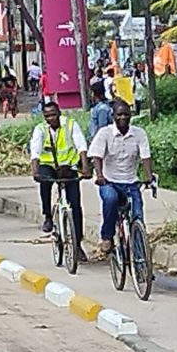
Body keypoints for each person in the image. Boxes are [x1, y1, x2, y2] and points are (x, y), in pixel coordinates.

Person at [88, 99, 153, 256]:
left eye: (126, 114)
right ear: (113, 116)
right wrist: (100, 175)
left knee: (137, 215)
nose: (123, 117)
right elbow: (97, 156)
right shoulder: (104, 133)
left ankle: (140, 258)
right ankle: (107, 236)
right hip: (109, 181)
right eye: (119, 114)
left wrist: (149, 176)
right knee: (110, 199)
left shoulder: (139, 133)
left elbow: (145, 156)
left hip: (131, 181)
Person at [30, 101, 89, 262]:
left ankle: (77, 244)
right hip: (48, 165)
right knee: (45, 182)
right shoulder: (40, 129)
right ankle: (48, 216)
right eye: (47, 116)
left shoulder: (70, 125)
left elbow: (81, 146)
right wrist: (35, 171)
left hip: (67, 166)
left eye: (53, 115)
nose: (51, 118)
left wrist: (85, 168)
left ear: (59, 113)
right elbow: (35, 152)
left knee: (75, 204)